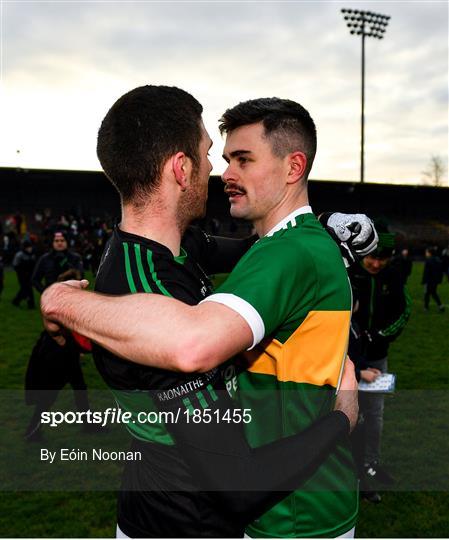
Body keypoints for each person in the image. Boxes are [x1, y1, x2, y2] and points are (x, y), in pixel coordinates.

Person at [41, 91, 379, 538]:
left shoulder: (178, 247)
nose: (217, 170)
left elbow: (267, 250)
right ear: (181, 169)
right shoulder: (152, 294)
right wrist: (342, 418)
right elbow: (239, 485)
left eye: (239, 158)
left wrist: (324, 223)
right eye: (208, 155)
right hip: (179, 523)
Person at [349, 226, 411, 503]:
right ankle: (350, 470)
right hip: (347, 358)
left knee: (374, 415)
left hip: (376, 359)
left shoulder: (394, 276)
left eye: (382, 259)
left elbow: (404, 312)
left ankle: (370, 465)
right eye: (372, 257)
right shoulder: (350, 273)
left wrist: (380, 335)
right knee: (348, 414)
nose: (376, 263)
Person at [24, 231, 91, 441]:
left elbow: (81, 281)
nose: (59, 243)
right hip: (57, 328)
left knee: (78, 383)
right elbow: (34, 280)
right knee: (55, 386)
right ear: (52, 242)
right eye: (56, 240)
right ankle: (33, 429)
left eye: (62, 240)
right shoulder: (45, 260)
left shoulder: (75, 258)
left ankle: (88, 423)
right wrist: (48, 296)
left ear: (67, 242)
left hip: (71, 320)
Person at [12, 239, 37, 309]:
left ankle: (16, 300)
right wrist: (22, 272)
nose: (29, 249)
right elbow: (15, 265)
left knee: (26, 289)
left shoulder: (32, 255)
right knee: (26, 289)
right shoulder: (19, 255)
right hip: (22, 275)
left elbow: (34, 265)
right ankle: (30, 304)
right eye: (28, 247)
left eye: (30, 247)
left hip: (30, 275)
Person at [422, 247, 445, 312]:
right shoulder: (438, 260)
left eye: (426, 252)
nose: (426, 253)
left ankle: (426, 308)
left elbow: (426, 272)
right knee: (433, 293)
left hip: (429, 280)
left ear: (430, 253)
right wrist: (439, 280)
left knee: (427, 293)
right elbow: (441, 271)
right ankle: (440, 306)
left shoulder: (429, 261)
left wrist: (424, 281)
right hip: (435, 280)